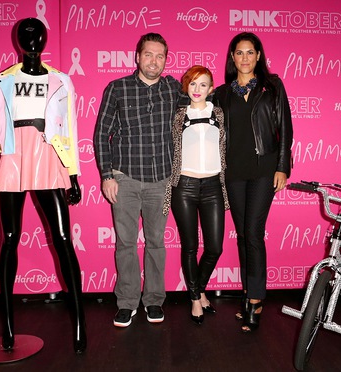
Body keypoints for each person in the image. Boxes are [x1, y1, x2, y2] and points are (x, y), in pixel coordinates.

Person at [0, 18, 86, 353]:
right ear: (18, 41)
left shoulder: (61, 80)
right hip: (12, 157)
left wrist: (73, 173)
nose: (31, 39)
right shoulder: (2, 80)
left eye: (37, 34)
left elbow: (69, 130)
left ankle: (81, 324)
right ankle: (7, 328)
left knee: (64, 239)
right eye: (25, 35)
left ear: (45, 38)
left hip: (48, 154)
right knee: (9, 239)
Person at [94, 33, 186, 327]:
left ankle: (154, 300)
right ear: (137, 56)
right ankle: (127, 302)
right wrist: (107, 175)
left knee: (157, 242)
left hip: (161, 180)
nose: (154, 61)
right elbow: (101, 134)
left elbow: (200, 104)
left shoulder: (174, 89)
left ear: (165, 60)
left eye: (160, 56)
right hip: (125, 179)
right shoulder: (118, 88)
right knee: (126, 243)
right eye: (149, 55)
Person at [213, 32, 293, 332]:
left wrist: (283, 166)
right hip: (234, 173)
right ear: (232, 57)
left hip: (264, 169)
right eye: (239, 53)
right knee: (244, 236)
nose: (244, 58)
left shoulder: (272, 86)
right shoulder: (221, 93)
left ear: (258, 56)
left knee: (253, 233)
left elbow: (285, 126)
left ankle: (256, 299)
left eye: (250, 52)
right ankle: (249, 292)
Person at [163, 65, 228, 325]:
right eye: (192, 84)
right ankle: (194, 298)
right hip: (184, 186)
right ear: (185, 87)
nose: (197, 89)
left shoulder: (220, 114)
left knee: (215, 247)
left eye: (203, 84)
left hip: (213, 186)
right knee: (189, 246)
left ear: (211, 89)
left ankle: (198, 288)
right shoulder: (177, 115)